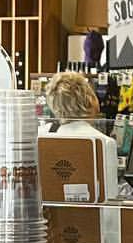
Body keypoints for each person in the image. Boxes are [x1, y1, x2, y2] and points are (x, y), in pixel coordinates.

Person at [42, 69, 119, 197]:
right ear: (89, 99)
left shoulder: (42, 134)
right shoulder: (104, 142)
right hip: (91, 215)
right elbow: (109, 197)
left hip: (51, 213)